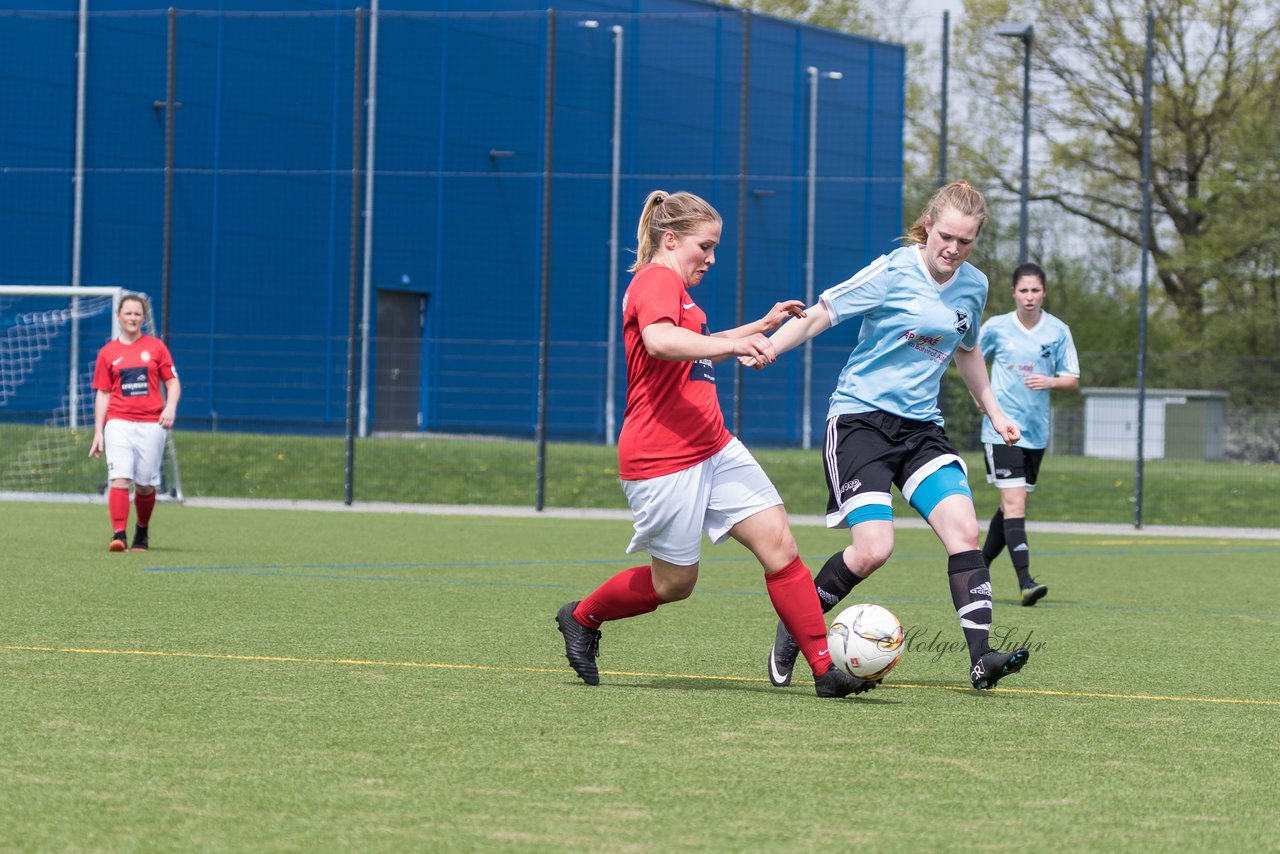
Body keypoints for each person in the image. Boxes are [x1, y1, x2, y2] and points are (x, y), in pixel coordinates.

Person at [554, 190, 874, 699]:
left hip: (714, 446)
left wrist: (760, 327)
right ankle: (582, 616)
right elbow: (660, 342)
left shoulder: (675, 291)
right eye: (705, 246)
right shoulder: (654, 280)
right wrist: (733, 343)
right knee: (674, 584)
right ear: (671, 239)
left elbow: (692, 348)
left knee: (780, 544)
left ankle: (823, 669)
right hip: (662, 457)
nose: (711, 257)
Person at [757, 180, 1032, 691]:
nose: (952, 249)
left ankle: (981, 659)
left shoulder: (974, 285)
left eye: (965, 241)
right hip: (860, 422)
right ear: (927, 226)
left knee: (963, 531)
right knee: (873, 549)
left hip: (921, 429)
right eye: (945, 236)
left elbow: (968, 351)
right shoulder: (893, 270)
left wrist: (992, 411)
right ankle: (795, 627)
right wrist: (772, 347)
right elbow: (822, 313)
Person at [978, 262, 1079, 605]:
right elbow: (970, 356)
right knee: (1015, 502)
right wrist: (982, 398)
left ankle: (978, 568)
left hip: (1036, 433)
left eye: (1035, 290)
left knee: (1010, 507)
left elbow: (1072, 379)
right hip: (1002, 430)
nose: (1030, 296)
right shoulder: (996, 327)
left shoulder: (1058, 331)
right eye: (1024, 290)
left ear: (1044, 292)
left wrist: (1050, 381)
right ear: (1014, 293)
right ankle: (1025, 582)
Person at [88, 294, 180, 552]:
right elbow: (103, 393)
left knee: (145, 484)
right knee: (119, 477)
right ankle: (119, 534)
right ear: (118, 316)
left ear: (143, 317)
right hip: (118, 422)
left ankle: (142, 530)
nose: (132, 318)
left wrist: (170, 407)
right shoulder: (107, 353)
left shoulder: (156, 348)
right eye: (128, 313)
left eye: (137, 314)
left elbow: (172, 382)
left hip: (151, 424)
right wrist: (99, 432)